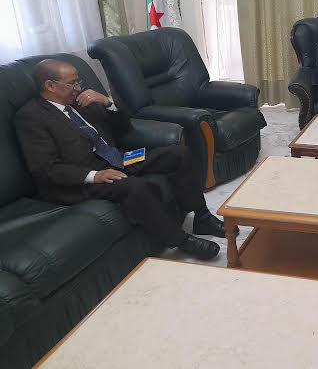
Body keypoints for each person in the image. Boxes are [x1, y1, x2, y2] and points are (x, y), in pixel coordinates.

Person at [14, 59, 232, 260]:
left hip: (117, 158)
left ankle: (203, 217)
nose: (78, 88)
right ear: (50, 86)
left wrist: (107, 102)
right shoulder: (31, 117)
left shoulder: (81, 102)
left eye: (78, 82)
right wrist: (95, 175)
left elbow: (123, 128)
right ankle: (180, 241)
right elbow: (45, 168)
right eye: (71, 84)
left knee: (178, 154)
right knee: (133, 186)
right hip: (82, 178)